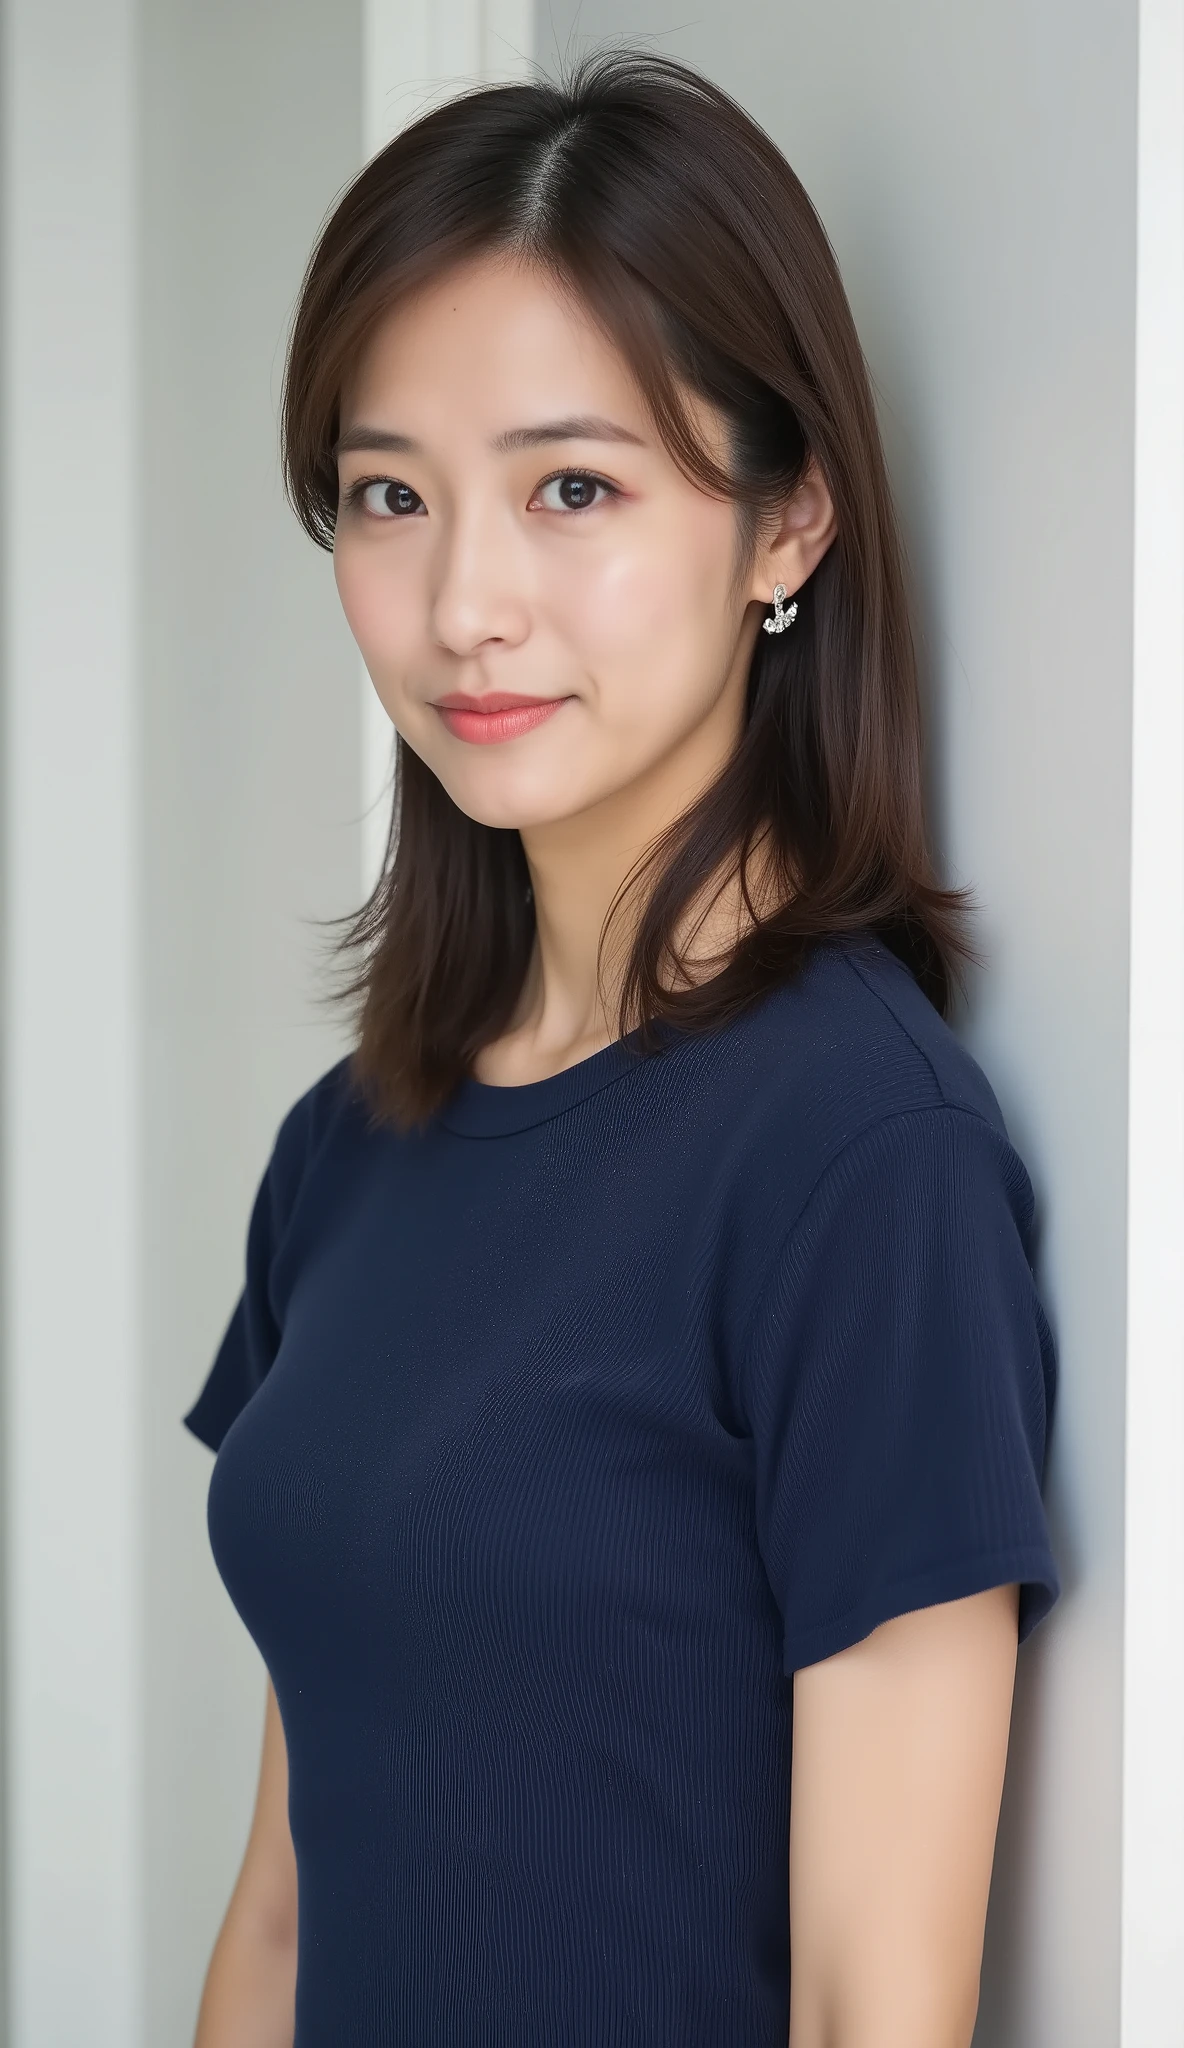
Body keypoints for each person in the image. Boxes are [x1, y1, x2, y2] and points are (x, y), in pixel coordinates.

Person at [184, 47, 1060, 2048]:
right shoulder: (348, 1147)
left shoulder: (861, 1158)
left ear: (788, 520)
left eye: (571, 486)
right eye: (388, 495)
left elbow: (873, 2008)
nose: (462, 602)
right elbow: (282, 1913)